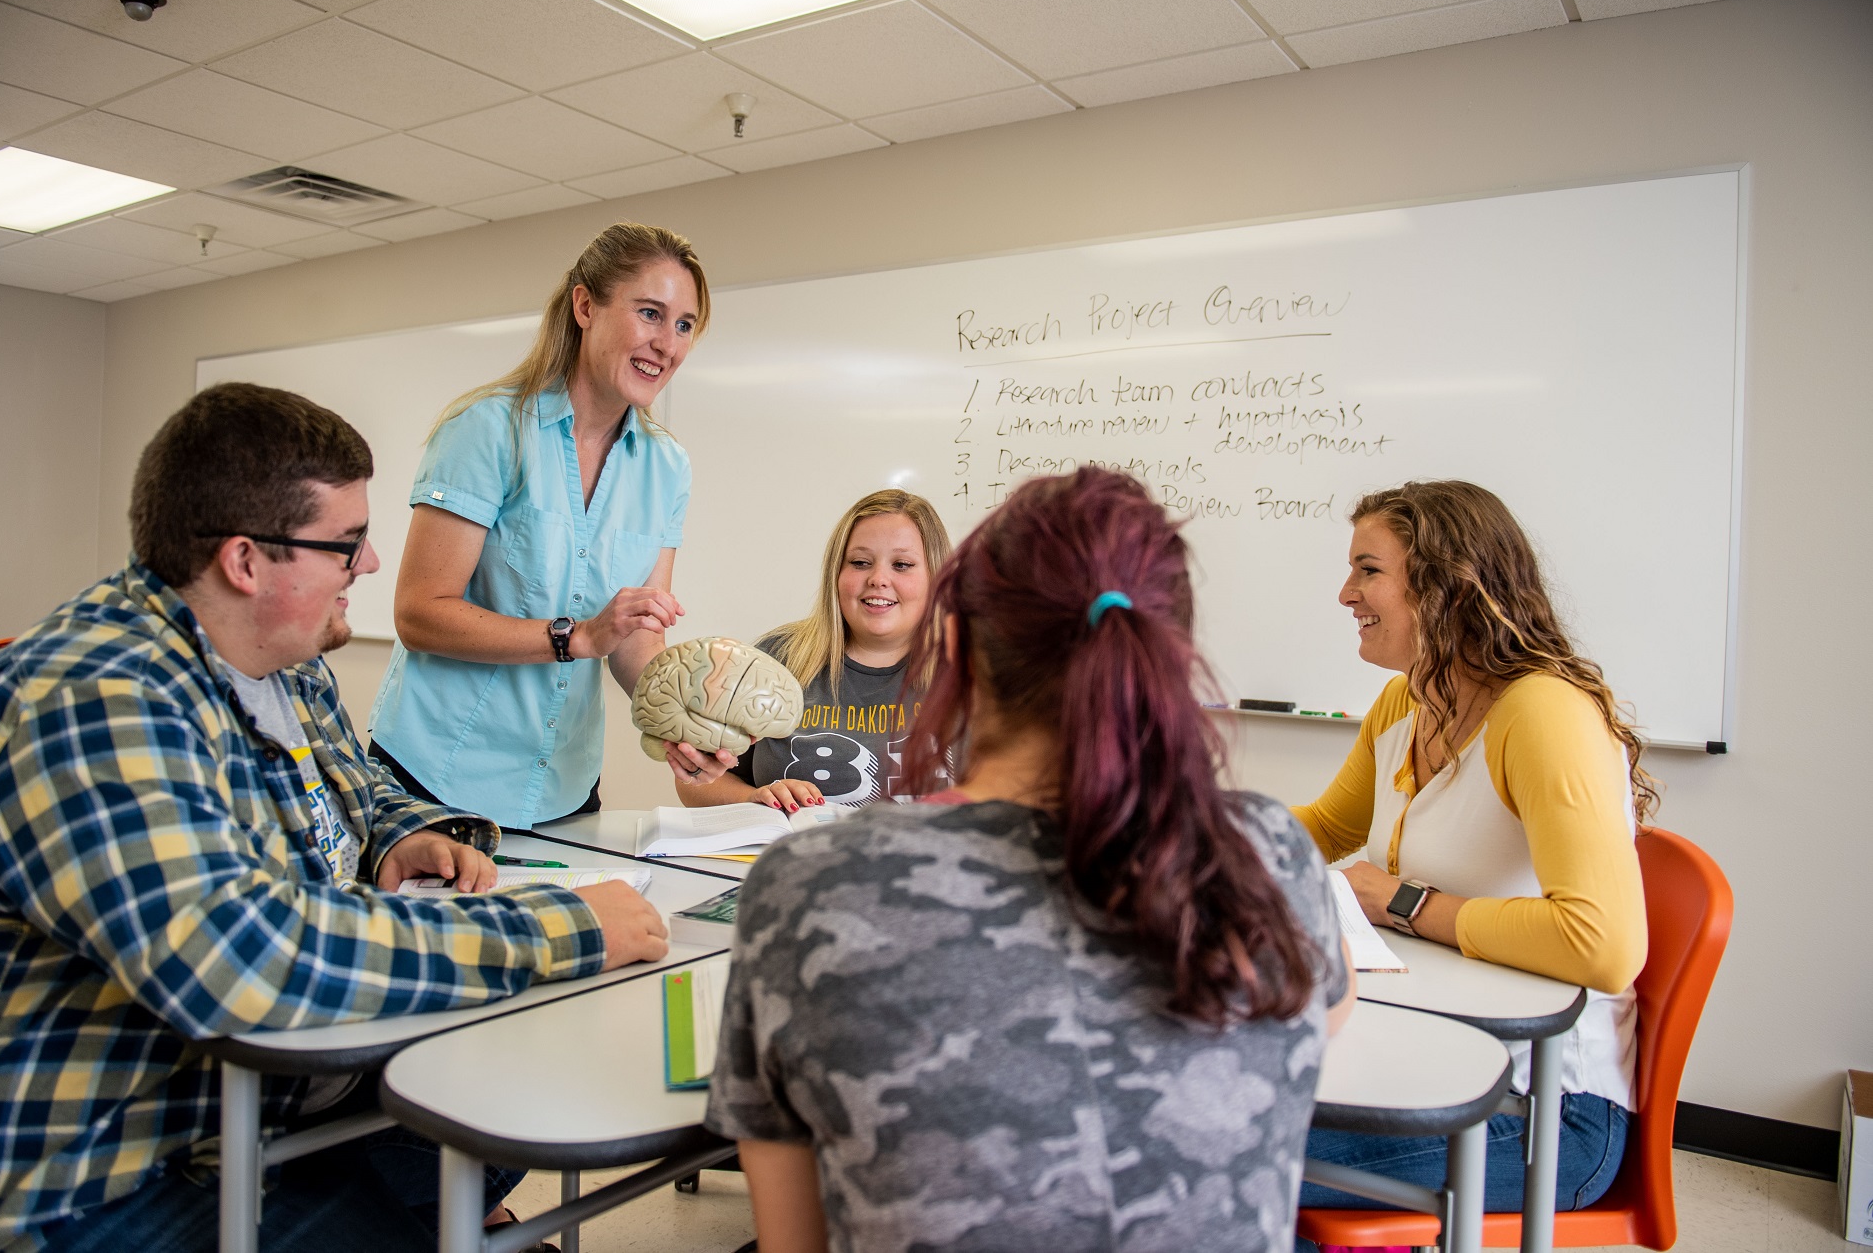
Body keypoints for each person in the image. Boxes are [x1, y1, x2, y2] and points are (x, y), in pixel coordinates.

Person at [0, 383, 669, 1253]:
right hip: (80, 1173)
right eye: (346, 543)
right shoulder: (93, 698)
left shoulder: (285, 660)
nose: (372, 564)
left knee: (516, 1090)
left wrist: (401, 837)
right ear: (246, 561)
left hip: (251, 1105)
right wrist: (557, 929)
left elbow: (359, 791)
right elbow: (243, 957)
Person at [707, 468, 1356, 1253]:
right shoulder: (1270, 853)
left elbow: (798, 1237)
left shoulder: (813, 884)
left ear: (957, 650)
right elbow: (1307, 1033)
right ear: (1168, 649)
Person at [1292, 479, 1652, 1224]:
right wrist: (1179, 828)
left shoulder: (1543, 713)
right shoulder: (1410, 699)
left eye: (1367, 570)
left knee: (1226, 1152)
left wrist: (1403, 901)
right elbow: (1325, 826)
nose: (1343, 593)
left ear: (1446, 587)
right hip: (1439, 1053)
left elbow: (1601, 947)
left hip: (1548, 1113)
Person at [368, 222, 734, 829]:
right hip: (437, 777)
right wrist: (574, 637)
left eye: (685, 325)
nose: (667, 344)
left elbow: (637, 637)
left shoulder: (668, 468)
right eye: (650, 313)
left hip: (564, 787)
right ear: (585, 305)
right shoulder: (487, 430)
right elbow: (419, 613)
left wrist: (678, 725)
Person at [674, 488, 951, 812]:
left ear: (937, 575)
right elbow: (694, 780)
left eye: (902, 565)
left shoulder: (976, 669)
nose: (878, 579)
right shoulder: (775, 659)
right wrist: (752, 798)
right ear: (836, 573)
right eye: (860, 562)